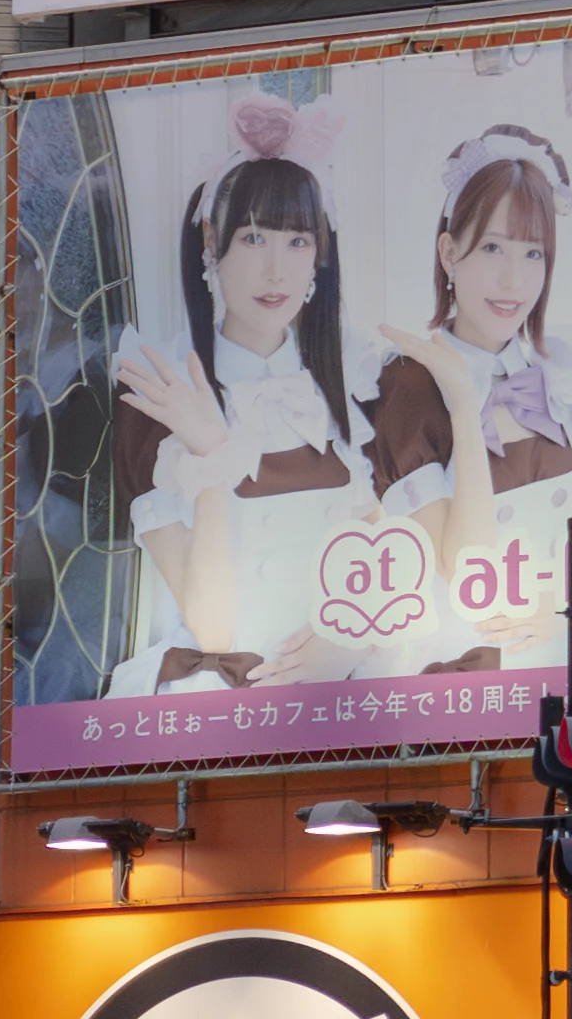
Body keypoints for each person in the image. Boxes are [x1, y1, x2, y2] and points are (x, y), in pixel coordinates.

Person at [102, 89, 374, 695]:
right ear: (209, 242)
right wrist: (210, 451)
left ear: (318, 260)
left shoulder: (352, 384)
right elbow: (215, 628)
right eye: (253, 238)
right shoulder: (158, 392)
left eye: (297, 241)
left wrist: (352, 637)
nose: (276, 270)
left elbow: (382, 564)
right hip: (217, 707)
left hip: (341, 697)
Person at [374, 124, 572, 673]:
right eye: (492, 247)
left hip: (571, 663)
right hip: (467, 682)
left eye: (533, 253)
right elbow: (464, 571)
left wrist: (561, 613)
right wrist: (462, 404)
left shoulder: (568, 369)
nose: (513, 279)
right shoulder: (406, 389)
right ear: (449, 252)